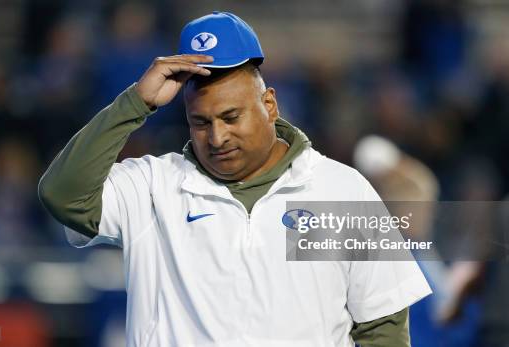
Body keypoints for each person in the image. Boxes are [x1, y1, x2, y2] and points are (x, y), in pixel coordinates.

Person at [39, 11, 431, 346]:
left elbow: (383, 325)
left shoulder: (342, 189)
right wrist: (135, 103)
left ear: (270, 105)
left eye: (231, 117)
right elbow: (62, 195)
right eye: (201, 122)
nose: (218, 137)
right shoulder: (154, 185)